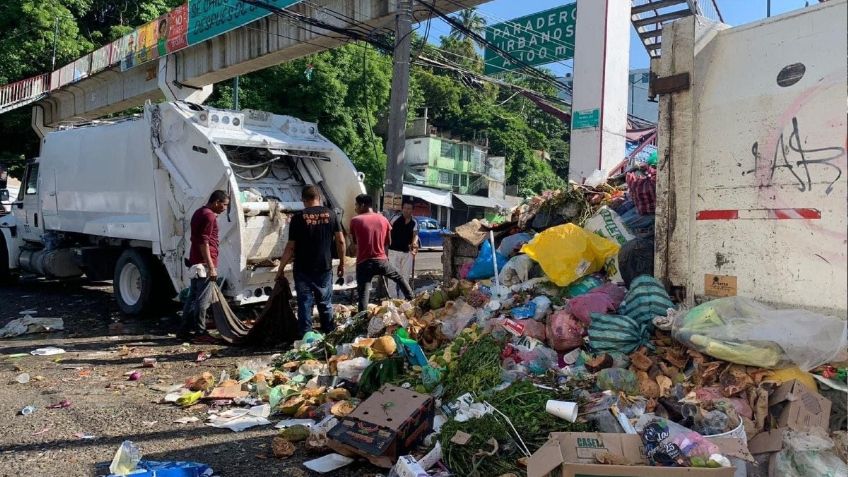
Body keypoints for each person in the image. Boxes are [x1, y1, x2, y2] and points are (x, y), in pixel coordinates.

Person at [277, 186, 345, 337]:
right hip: (324, 267)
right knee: (325, 303)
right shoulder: (331, 214)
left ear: (303, 199)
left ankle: (306, 336)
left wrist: (280, 268)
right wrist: (342, 263)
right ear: (318, 197)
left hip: (302, 269)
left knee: (305, 303)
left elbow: (290, 247)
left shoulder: (298, 218)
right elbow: (341, 241)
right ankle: (330, 334)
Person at [178, 190, 229, 341]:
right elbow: (204, 242)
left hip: (195, 261)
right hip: (204, 263)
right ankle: (200, 332)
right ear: (216, 202)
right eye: (224, 205)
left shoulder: (199, 212)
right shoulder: (209, 216)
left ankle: (184, 330)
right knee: (202, 299)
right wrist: (211, 266)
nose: (225, 208)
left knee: (192, 297)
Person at [349, 194, 413, 312]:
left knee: (363, 294)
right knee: (399, 278)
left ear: (363, 205)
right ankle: (412, 300)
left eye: (356, 205)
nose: (355, 208)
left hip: (364, 262)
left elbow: (354, 245)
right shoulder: (383, 219)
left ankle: (362, 319)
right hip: (381, 261)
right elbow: (388, 241)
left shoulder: (355, 220)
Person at [387, 201, 419, 298]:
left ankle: (402, 298)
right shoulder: (395, 218)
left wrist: (414, 242)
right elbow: (387, 230)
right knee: (392, 276)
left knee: (405, 277)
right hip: (393, 251)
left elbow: (415, 234)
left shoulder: (414, 222)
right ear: (402, 209)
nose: (406, 210)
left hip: (407, 252)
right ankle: (392, 298)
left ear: (412, 210)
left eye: (409, 208)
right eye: (405, 208)